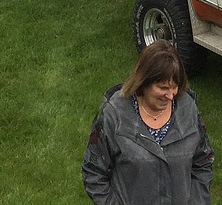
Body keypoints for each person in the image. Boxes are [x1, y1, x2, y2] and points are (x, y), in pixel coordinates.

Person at [82, 41, 214, 205]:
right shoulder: (114, 114)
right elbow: (94, 173)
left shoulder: (188, 109)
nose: (171, 96)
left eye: (175, 87)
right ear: (143, 82)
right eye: (163, 87)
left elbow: (202, 163)